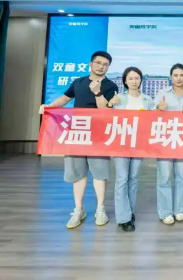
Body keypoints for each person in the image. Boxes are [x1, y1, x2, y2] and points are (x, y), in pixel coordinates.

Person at [39, 51, 118, 229]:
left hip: (99, 135)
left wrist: (97, 92)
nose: (101, 66)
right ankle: (78, 209)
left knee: (100, 173)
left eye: (105, 64)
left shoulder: (111, 86)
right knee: (78, 173)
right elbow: (66, 98)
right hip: (77, 134)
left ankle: (100, 209)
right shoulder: (78, 82)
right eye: (98, 63)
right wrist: (49, 107)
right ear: (90, 64)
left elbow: (104, 110)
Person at [108, 66, 154, 232]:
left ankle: (130, 212)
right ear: (125, 81)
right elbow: (107, 118)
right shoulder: (118, 98)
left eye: (137, 78)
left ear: (141, 80)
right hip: (121, 143)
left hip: (139, 143)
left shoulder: (147, 100)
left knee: (133, 178)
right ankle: (123, 218)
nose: (134, 81)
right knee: (122, 179)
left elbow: (154, 119)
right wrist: (110, 105)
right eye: (130, 78)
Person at [154, 63, 183, 225]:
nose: (178, 78)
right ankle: (165, 212)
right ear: (171, 77)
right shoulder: (162, 93)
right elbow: (151, 114)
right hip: (165, 139)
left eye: (182, 75)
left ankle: (179, 210)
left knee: (181, 176)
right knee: (164, 176)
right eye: (175, 75)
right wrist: (159, 108)